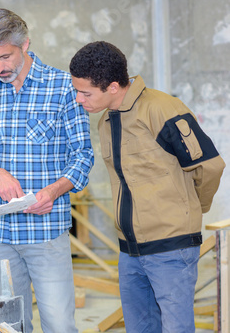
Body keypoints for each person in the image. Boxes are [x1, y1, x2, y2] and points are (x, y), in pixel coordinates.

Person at [69, 41, 226, 333]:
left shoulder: (161, 109)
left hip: (170, 247)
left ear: (113, 87)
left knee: (176, 328)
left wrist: (190, 208)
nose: (79, 99)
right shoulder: (106, 121)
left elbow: (210, 166)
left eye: (85, 92)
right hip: (129, 251)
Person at [0, 8, 94, 333]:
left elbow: (83, 157)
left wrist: (53, 191)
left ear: (26, 44)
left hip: (46, 232)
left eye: (5, 56)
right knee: (9, 326)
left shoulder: (62, 88)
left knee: (59, 324)